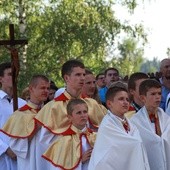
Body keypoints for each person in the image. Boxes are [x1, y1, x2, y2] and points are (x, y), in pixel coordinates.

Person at [34, 59, 106, 169]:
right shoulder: (53, 107)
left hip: (94, 159)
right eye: (77, 75)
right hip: (66, 164)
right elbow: (46, 142)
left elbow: (101, 132)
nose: (82, 78)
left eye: (83, 74)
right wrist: (76, 156)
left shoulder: (92, 104)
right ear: (66, 78)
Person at [88, 82, 150, 170]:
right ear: (109, 103)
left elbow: (135, 142)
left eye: (127, 100)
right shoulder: (107, 124)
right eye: (121, 99)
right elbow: (126, 144)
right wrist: (136, 143)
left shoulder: (130, 123)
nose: (125, 102)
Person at [0, 75, 50, 170]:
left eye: (48, 88)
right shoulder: (20, 114)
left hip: (47, 162)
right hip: (29, 162)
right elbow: (16, 146)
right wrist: (36, 127)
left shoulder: (51, 112)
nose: (46, 91)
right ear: (31, 89)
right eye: (42, 88)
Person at [42, 99, 96, 170]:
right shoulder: (63, 142)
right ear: (69, 117)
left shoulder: (96, 136)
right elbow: (57, 168)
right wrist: (80, 161)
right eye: (79, 113)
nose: (83, 115)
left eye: (85, 112)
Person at [131, 79, 170, 170]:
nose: (158, 97)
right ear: (143, 98)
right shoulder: (135, 122)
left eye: (159, 93)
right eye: (153, 94)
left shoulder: (167, 119)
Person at [0, 62, 26, 170]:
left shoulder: (23, 104)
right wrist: (5, 149)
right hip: (2, 157)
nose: (14, 77)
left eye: (15, 74)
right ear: (1, 78)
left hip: (20, 156)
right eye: (10, 74)